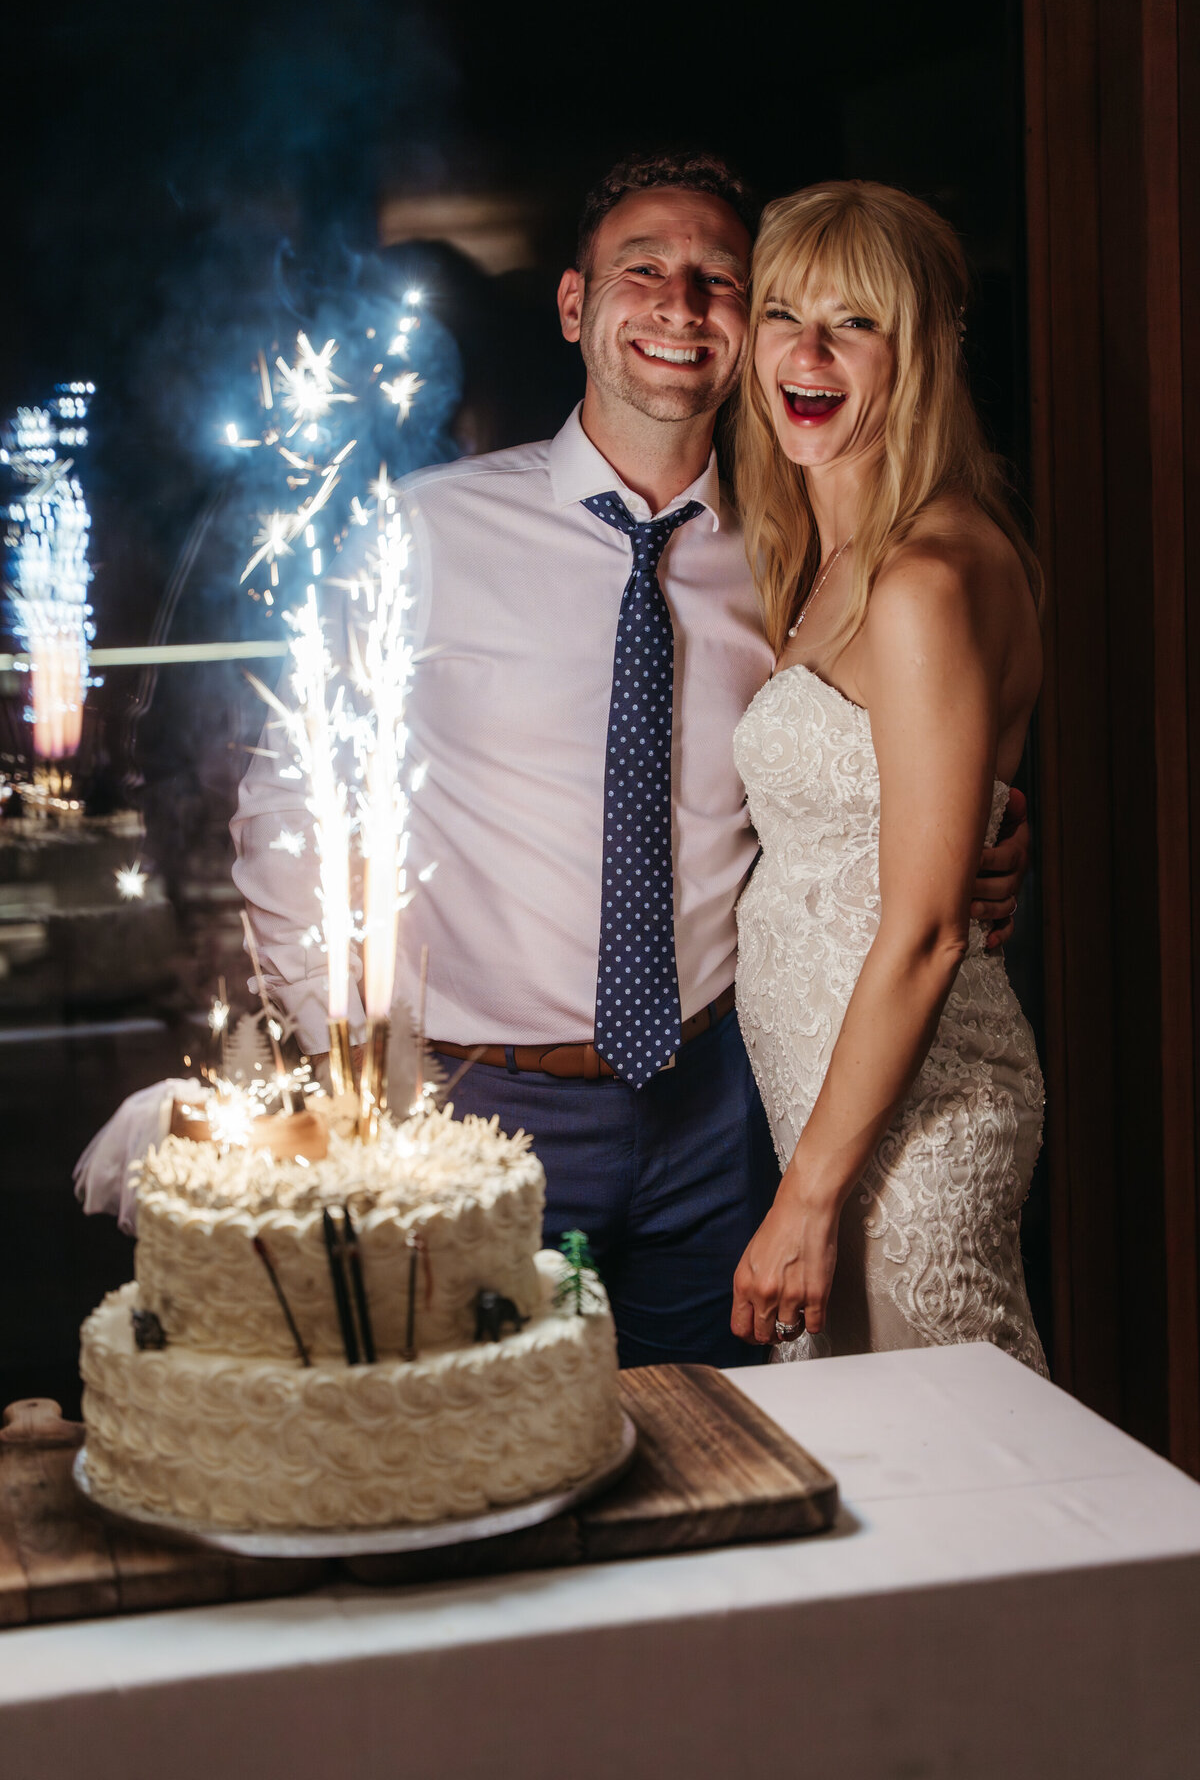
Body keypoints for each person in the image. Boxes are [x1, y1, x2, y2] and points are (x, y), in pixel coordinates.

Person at [232, 154, 1029, 1371]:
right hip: (481, 1107)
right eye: (643, 270)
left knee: (723, 1468)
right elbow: (291, 791)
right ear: (573, 307)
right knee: (478, 1453)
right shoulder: (424, 530)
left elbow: (878, 778)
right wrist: (364, 1073)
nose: (681, 303)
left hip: (724, 1110)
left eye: (720, 280)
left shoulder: (793, 561)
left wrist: (983, 835)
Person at [730, 180, 1047, 1373]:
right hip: (835, 1113)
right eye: (781, 312)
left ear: (922, 349)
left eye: (854, 321)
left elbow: (921, 931)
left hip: (906, 1136)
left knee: (952, 1490)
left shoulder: (923, 576)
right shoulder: (825, 557)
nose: (806, 352)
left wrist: (808, 1197)